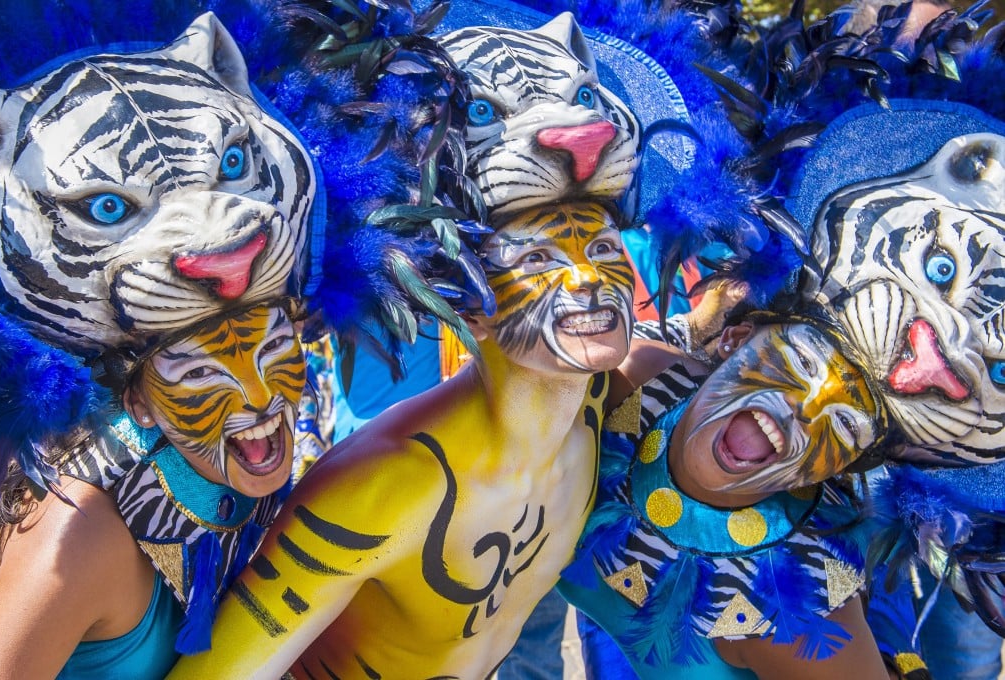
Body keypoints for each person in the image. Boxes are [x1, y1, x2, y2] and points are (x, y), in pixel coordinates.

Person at [168, 200, 636, 678]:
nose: (586, 277)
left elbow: (700, 370)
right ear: (469, 310)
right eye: (536, 258)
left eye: (602, 248)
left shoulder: (606, 402)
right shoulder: (383, 486)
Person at [559, 307, 893, 679]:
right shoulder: (641, 388)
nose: (803, 409)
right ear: (734, 340)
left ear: (839, 466)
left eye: (846, 422)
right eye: (800, 360)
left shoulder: (795, 603)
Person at [0, 303, 306, 678]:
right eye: (200, 371)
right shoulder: (82, 533)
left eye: (272, 345)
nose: (259, 397)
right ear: (139, 403)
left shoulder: (235, 465)